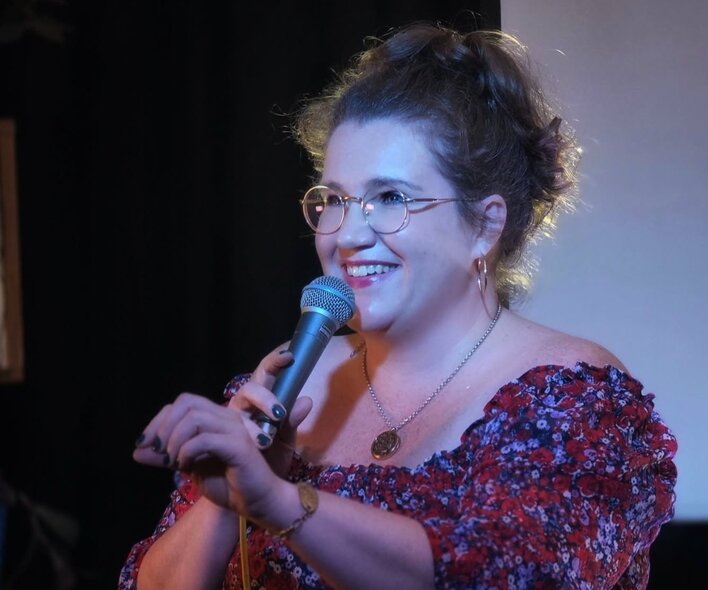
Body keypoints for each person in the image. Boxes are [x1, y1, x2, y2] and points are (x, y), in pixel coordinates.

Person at [119, 22, 677, 590]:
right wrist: (230, 498)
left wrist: (281, 504)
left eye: (390, 198)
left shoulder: (572, 395)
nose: (347, 235)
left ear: (485, 226)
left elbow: (510, 574)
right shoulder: (286, 383)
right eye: (335, 201)